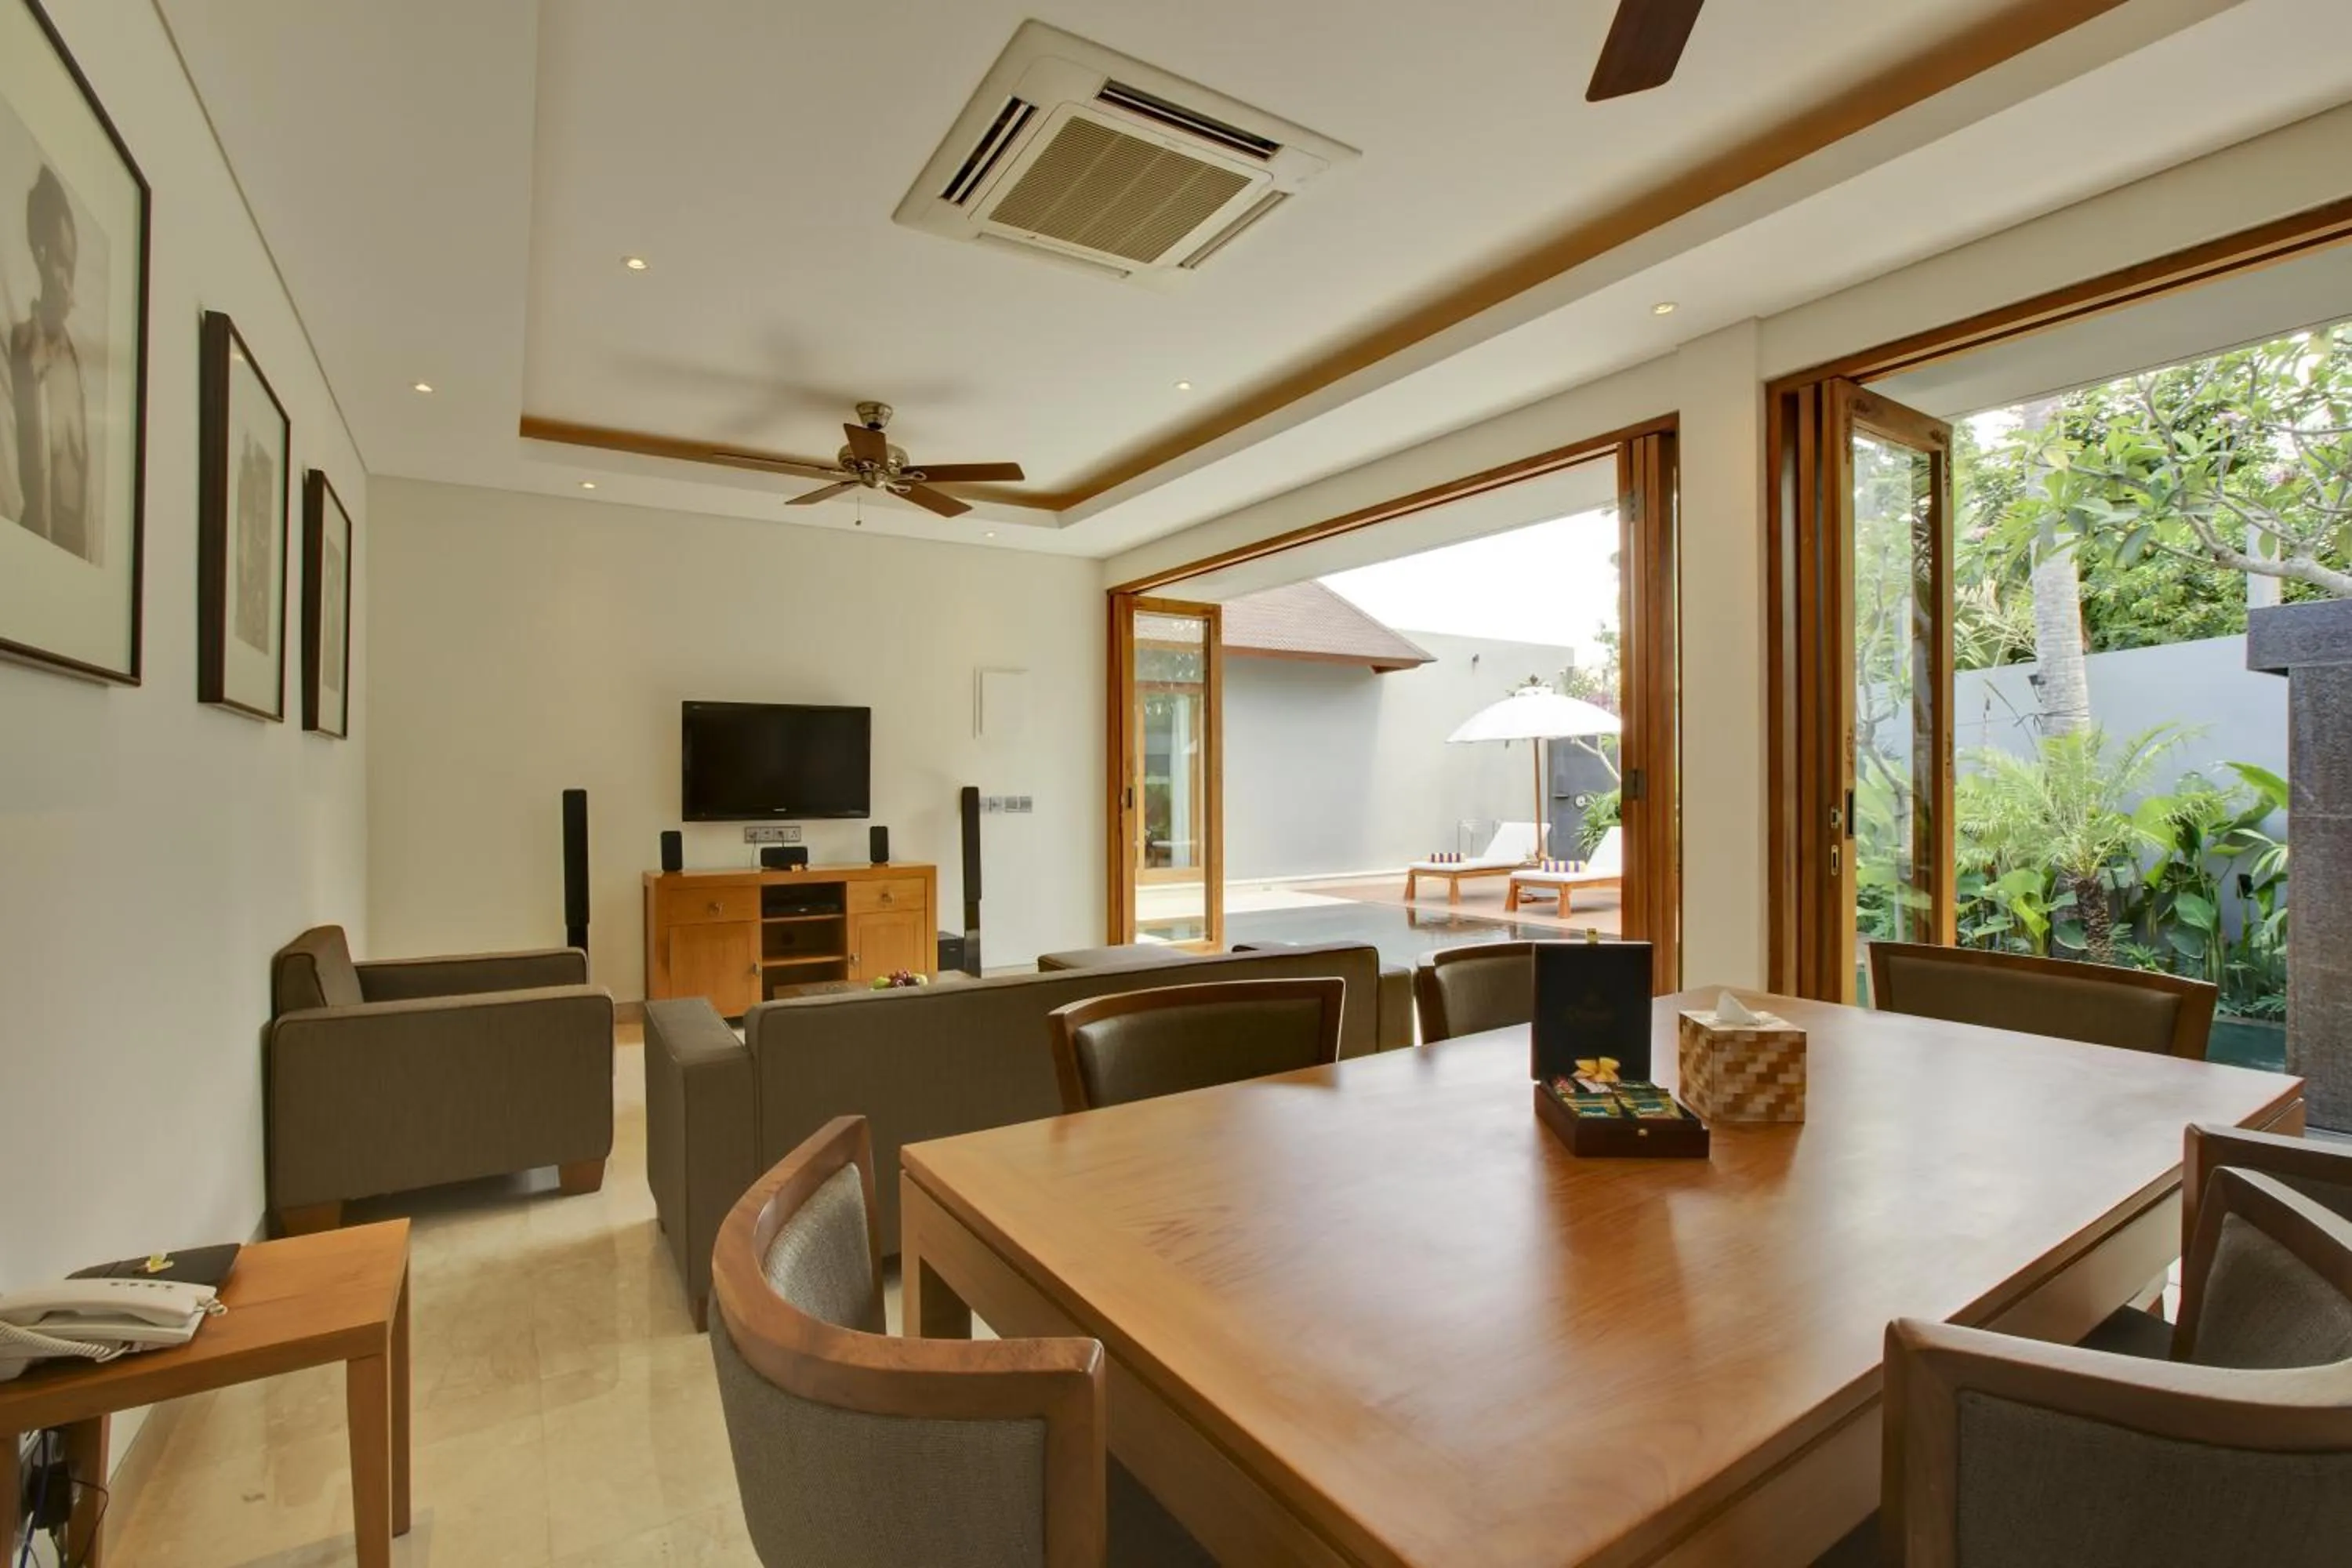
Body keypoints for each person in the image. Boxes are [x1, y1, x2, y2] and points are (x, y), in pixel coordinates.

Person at [8, 165, 91, 560]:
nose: (68, 284)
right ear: (40, 254)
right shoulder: (24, 346)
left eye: (72, 268)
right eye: (61, 264)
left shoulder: (75, 361)